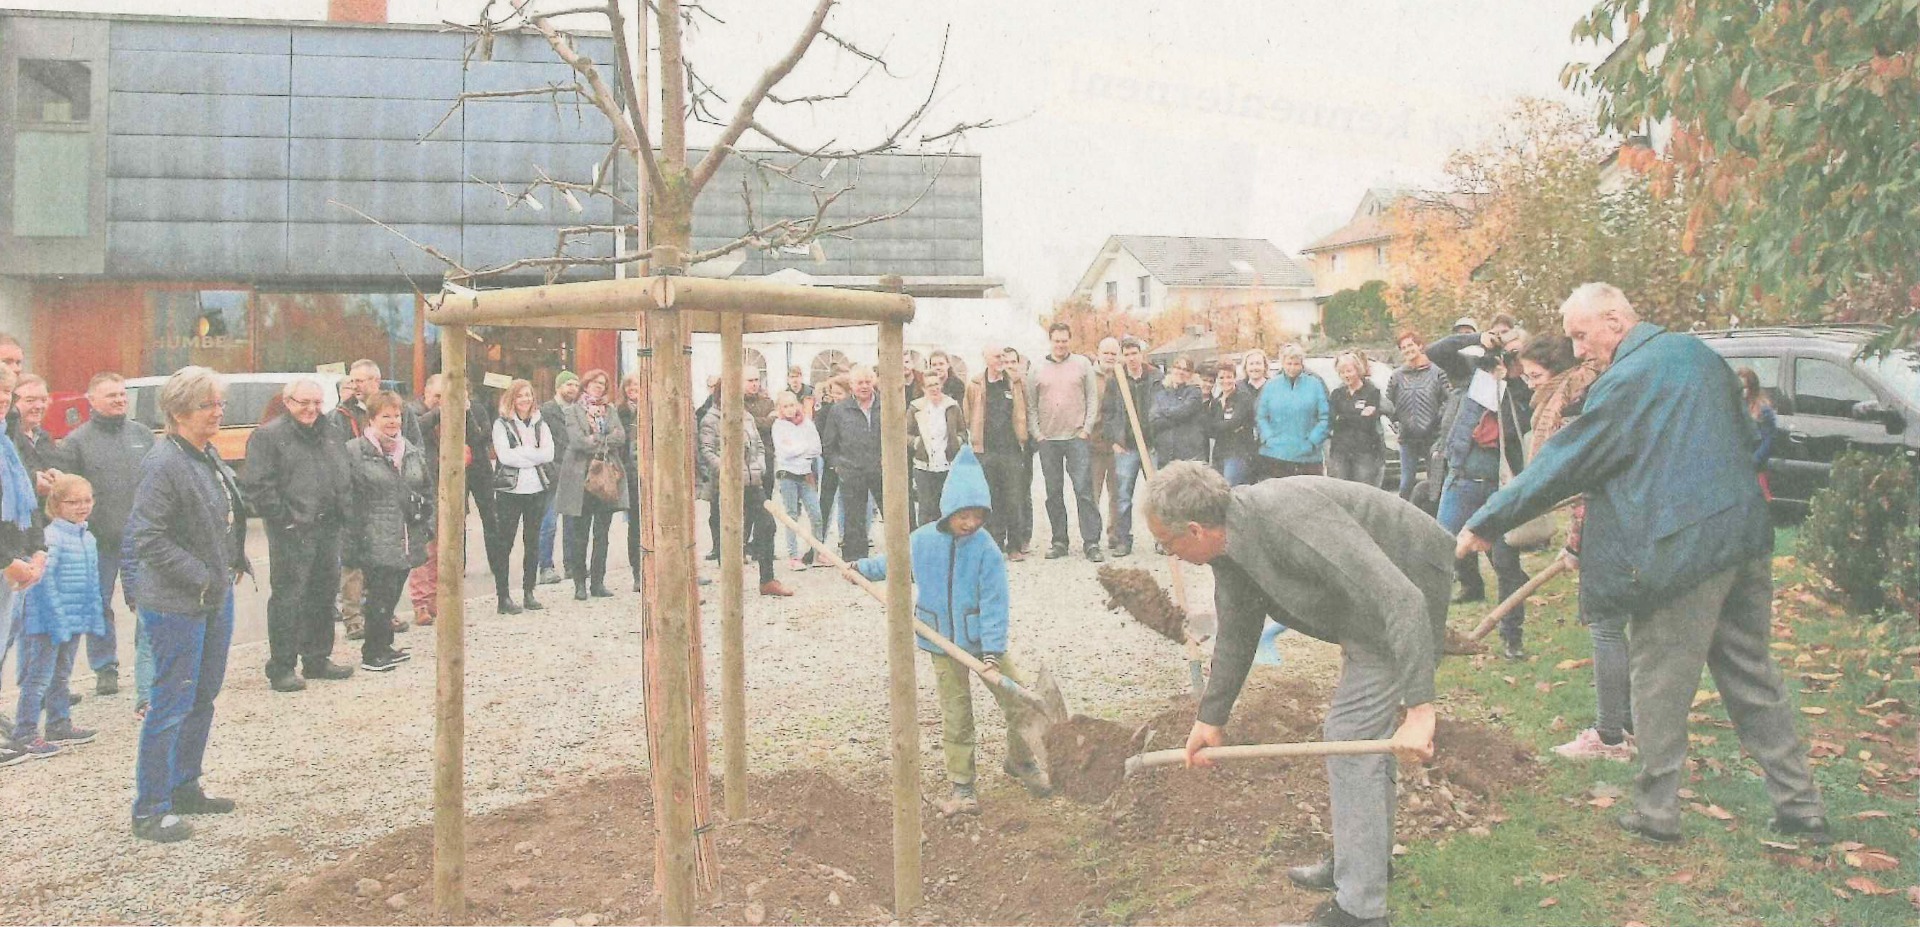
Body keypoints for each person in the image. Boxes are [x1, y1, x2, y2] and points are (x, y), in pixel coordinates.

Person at [1458, 282, 1829, 846]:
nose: (1578, 350)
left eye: (1582, 336)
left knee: (1658, 682)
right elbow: (1745, 436)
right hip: (1743, 537)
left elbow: (1565, 460)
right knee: (1752, 673)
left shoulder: (1627, 381)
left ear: (1615, 320)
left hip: (1678, 551)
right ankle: (1802, 806)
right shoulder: (1699, 356)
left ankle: (1656, 813)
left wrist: (1487, 522)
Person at [1151, 463, 1446, 927]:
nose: (1169, 554)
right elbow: (1238, 629)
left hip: (1411, 581)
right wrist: (1211, 718)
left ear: (1194, 530)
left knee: (1349, 738)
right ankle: (1364, 862)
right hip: (1376, 604)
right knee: (1357, 736)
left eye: (1166, 545)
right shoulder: (1230, 544)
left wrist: (1420, 709)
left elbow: (1402, 598)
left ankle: (1360, 910)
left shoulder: (1285, 520)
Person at [851, 446, 1046, 816]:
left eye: (977, 516)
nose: (970, 523)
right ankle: (962, 786)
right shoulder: (923, 541)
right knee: (957, 715)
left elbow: (994, 604)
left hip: (982, 644)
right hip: (941, 642)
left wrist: (991, 652)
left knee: (1018, 703)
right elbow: (893, 563)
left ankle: (1020, 761)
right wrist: (860, 568)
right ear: (949, 510)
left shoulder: (987, 550)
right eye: (963, 515)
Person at [125, 366, 249, 843]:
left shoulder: (205, 453)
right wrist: (200, 576)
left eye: (219, 403)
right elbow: (148, 536)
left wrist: (233, 561)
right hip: (177, 602)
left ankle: (185, 786)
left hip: (213, 596)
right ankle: (150, 807)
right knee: (171, 702)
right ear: (178, 412)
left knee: (203, 695)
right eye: (207, 405)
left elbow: (225, 513)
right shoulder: (164, 463)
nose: (218, 412)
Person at [1511, 334, 1626, 760]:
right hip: (1623, 525)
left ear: (1559, 373)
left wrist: (1576, 543)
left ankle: (1610, 736)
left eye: (1536, 375)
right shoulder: (1589, 393)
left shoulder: (1575, 404)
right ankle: (1625, 727)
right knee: (1618, 629)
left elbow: (1586, 484)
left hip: (1610, 528)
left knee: (1607, 627)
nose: (1529, 385)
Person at [241, 377, 355, 693]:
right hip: (291, 530)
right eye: (303, 403)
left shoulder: (330, 433)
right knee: (288, 598)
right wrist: (284, 519)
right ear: (288, 402)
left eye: (316, 403)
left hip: (327, 527)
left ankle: (317, 657)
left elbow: (341, 473)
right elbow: (258, 485)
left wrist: (343, 509)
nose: (310, 409)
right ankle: (281, 666)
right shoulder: (268, 436)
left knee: (322, 593)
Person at [1427, 323, 1534, 658]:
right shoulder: (1473, 372)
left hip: (1501, 489)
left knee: (1506, 563)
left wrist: (1511, 379)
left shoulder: (1526, 389)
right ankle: (1430, 633)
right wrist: (1479, 341)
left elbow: (1518, 426)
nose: (1508, 354)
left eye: (1514, 350)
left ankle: (1511, 638)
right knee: (1438, 554)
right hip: (1462, 480)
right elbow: (1436, 351)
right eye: (1505, 346)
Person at [55, 372, 154, 696]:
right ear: (92, 400)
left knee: (148, 602)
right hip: (98, 541)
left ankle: (147, 661)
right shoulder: (76, 442)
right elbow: (65, 495)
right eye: (111, 395)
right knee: (97, 604)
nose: (119, 400)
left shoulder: (143, 436)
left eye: (122, 395)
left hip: (141, 538)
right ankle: (105, 667)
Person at [11, 473, 104, 757]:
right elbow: (43, 584)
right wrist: (56, 619)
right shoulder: (52, 538)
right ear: (56, 504)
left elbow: (91, 581)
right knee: (38, 677)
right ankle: (25, 732)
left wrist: (92, 614)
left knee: (62, 674)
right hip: (47, 621)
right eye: (73, 501)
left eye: (87, 500)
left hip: (72, 619)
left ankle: (59, 722)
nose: (82, 506)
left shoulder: (87, 537)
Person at [345, 389, 431, 674]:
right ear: (372, 419)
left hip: (407, 533)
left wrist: (426, 523)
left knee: (393, 592)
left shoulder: (410, 450)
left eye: (397, 416)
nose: (393, 421)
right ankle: (372, 651)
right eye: (386, 416)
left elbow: (425, 486)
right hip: (376, 533)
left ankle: (385, 644)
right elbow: (350, 495)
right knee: (379, 594)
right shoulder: (356, 451)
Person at [697, 383, 792, 596]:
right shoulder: (711, 420)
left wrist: (759, 466)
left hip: (752, 483)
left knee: (767, 525)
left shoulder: (747, 417)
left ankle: (767, 579)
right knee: (729, 534)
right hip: (726, 486)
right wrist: (728, 469)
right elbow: (706, 450)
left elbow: (758, 444)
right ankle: (730, 585)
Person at [0, 366, 47, 765]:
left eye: (6, 391)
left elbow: (26, 500)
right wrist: (5, 563)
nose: (2, 397)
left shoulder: (8, 442)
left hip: (12, 561)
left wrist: (37, 549)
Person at [1027, 322, 1104, 562]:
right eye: (1056, 340)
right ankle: (1059, 540)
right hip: (1048, 440)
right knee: (1053, 493)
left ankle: (1091, 542)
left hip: (1076, 438)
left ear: (1070, 340)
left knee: (1084, 490)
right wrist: (1037, 433)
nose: (1060, 344)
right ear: (1050, 341)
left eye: (1064, 340)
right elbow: (1031, 404)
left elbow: (1093, 399)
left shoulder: (1082, 365)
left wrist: (1086, 429)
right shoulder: (1037, 368)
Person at [557, 370, 627, 600]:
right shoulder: (573, 411)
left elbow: (621, 437)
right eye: (595, 382)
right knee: (580, 533)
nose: (598, 386)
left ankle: (598, 582)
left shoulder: (611, 411)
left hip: (607, 477)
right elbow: (577, 441)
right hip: (581, 478)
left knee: (602, 533)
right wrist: (604, 438)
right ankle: (579, 583)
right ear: (585, 385)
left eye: (603, 383)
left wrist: (596, 439)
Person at [489, 379, 555, 614]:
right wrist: (532, 453)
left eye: (528, 394)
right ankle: (503, 596)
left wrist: (525, 454)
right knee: (505, 542)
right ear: (512, 399)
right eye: (520, 395)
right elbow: (505, 457)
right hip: (510, 490)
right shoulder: (502, 424)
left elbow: (548, 453)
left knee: (532, 542)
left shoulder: (540, 423)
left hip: (536, 488)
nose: (525, 399)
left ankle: (529, 591)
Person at [968, 344, 1031, 560]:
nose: (1000, 360)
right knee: (991, 499)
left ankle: (1015, 546)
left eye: (1002, 356)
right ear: (985, 358)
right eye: (996, 356)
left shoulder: (1015, 382)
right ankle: (994, 545)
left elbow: (1025, 410)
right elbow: (969, 413)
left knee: (1014, 498)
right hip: (986, 451)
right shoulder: (976, 384)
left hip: (1011, 449)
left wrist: (1024, 438)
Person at [1100, 338, 1159, 558]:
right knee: (1123, 496)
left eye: (1135, 353)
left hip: (1151, 445)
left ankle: (1161, 539)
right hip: (1126, 447)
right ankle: (1124, 540)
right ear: (1123, 356)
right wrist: (1114, 440)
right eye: (1127, 354)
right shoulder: (1116, 380)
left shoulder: (1155, 377)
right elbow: (1107, 412)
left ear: (1141, 354)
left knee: (1156, 495)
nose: (1132, 358)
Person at [820, 365, 885, 561]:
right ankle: (856, 563)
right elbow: (829, 444)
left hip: (881, 470)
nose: (864, 386)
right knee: (854, 519)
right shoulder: (839, 410)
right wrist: (838, 466)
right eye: (859, 383)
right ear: (851, 385)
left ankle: (901, 562)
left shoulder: (885, 405)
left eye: (867, 382)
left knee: (893, 516)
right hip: (852, 471)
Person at [1385, 332, 1450, 501]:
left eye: (1410, 345)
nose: (1408, 350)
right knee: (1406, 483)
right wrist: (1395, 421)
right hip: (1407, 437)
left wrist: (1439, 418)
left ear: (1420, 346)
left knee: (1434, 483)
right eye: (1403, 347)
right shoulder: (1397, 376)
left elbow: (1448, 399)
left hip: (1433, 436)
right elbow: (1388, 402)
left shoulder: (1437, 372)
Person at [1253, 344, 1330, 480]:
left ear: (1302, 364)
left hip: (1307, 456)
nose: (1292, 368)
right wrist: (1268, 438)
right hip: (1274, 454)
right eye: (1289, 363)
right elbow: (1261, 416)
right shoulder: (1270, 385)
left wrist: (1312, 442)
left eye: (1296, 364)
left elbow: (1325, 417)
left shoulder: (1315, 384)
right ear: (1282, 363)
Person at [772, 390, 823, 570]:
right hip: (788, 475)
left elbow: (816, 448)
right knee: (792, 515)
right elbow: (785, 452)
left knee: (816, 514)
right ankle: (793, 556)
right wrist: (802, 448)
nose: (790, 409)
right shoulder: (778, 426)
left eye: (792, 405)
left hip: (805, 473)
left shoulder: (806, 424)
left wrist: (798, 449)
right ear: (780, 408)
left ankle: (818, 552)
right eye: (785, 406)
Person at [537, 371, 580, 584]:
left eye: (575, 385)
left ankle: (571, 565)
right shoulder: (546, 410)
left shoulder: (578, 410)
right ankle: (545, 566)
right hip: (553, 471)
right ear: (558, 387)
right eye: (568, 384)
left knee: (572, 521)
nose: (572, 388)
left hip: (573, 470)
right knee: (549, 522)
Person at [909, 369, 967, 529]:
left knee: (947, 508)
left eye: (936, 384)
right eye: (929, 386)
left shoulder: (952, 406)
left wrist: (958, 441)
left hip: (947, 465)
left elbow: (962, 430)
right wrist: (917, 442)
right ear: (923, 388)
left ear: (941, 385)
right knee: (927, 509)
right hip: (924, 467)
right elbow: (905, 433)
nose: (934, 389)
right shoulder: (916, 408)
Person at [1327, 352, 1387, 488]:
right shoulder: (1337, 394)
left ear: (1358, 370)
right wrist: (1358, 415)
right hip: (1340, 450)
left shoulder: (1372, 392)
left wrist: (1343, 417)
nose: (1346, 375)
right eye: (1342, 372)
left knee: (1363, 491)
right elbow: (1333, 421)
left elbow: (1367, 423)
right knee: (1341, 490)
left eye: (1349, 371)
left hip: (1365, 451)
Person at [1089, 338, 1122, 551]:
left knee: (1117, 493)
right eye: (1106, 353)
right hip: (1094, 443)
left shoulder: (1122, 377)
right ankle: (1092, 535)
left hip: (1117, 444)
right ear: (1098, 353)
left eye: (1113, 353)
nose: (1110, 357)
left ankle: (1115, 534)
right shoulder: (1089, 377)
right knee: (1093, 492)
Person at [1148, 357, 1209, 468]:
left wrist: (1164, 412)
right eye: (1178, 367)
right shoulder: (1161, 392)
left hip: (1189, 455)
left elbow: (1184, 411)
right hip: (1166, 454)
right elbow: (1153, 419)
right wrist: (1175, 418)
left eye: (1186, 369)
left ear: (1191, 374)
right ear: (1172, 369)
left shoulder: (1195, 392)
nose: (1181, 372)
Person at [617, 372, 645, 592]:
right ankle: (638, 572)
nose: (632, 388)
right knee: (635, 524)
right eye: (629, 385)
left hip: (651, 471)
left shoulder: (651, 410)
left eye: (636, 384)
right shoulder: (621, 412)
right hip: (631, 471)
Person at [1207, 362, 1257, 486]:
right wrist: (1225, 425)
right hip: (1219, 453)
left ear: (1235, 378)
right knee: (1217, 489)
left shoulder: (1243, 398)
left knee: (1231, 488)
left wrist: (1220, 426)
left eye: (1229, 377)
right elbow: (1210, 430)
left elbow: (1235, 422)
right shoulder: (1215, 402)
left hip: (1239, 453)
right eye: (1221, 378)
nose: (1226, 381)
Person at [1739, 367, 1777, 500]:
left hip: (1756, 466)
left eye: (1745, 387)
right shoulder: (1737, 407)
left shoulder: (1763, 410)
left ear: (1752, 388)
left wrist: (1753, 460)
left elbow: (1768, 441)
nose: (1742, 391)